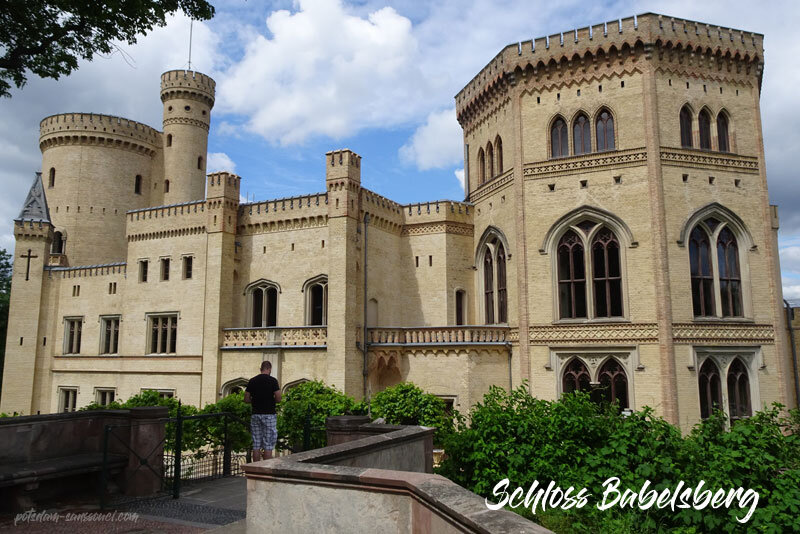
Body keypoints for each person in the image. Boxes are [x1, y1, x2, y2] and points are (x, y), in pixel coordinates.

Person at [244, 360, 281, 461]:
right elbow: (278, 398)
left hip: (255, 414)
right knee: (268, 444)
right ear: (269, 369)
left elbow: (246, 399)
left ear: (260, 369)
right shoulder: (273, 381)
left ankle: (255, 469)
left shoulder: (252, 381)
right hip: (269, 415)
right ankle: (265, 471)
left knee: (256, 444)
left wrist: (255, 400)